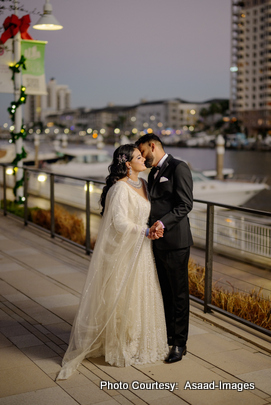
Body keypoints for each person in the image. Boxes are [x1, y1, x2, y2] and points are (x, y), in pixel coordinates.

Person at [56, 144, 168, 380]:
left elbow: (145, 215)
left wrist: (154, 228)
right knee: (123, 294)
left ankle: (139, 341)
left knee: (142, 293)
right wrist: (144, 231)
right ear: (128, 163)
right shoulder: (119, 189)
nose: (144, 160)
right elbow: (118, 222)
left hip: (142, 250)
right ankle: (120, 343)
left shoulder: (144, 185)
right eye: (139, 157)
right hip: (126, 251)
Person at [135, 134, 193, 364]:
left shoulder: (179, 168)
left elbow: (185, 204)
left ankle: (179, 343)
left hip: (176, 242)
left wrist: (162, 223)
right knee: (165, 293)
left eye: (143, 152)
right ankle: (169, 336)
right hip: (157, 242)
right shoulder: (152, 172)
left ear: (153, 146)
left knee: (178, 294)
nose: (142, 157)